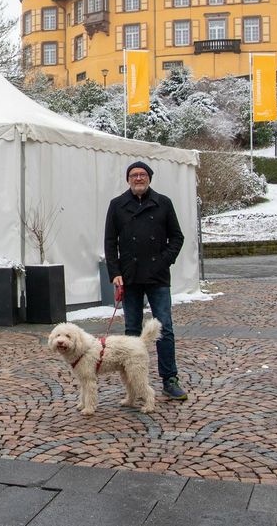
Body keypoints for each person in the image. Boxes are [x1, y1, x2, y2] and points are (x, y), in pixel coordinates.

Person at [104, 160, 188, 401]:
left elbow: (177, 237)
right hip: (129, 276)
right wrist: (115, 272)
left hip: (157, 276)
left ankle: (170, 379)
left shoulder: (163, 203)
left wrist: (163, 261)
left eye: (142, 174)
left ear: (149, 178)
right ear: (128, 179)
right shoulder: (117, 205)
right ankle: (134, 384)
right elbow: (110, 242)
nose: (138, 178)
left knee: (164, 329)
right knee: (132, 330)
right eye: (134, 175)